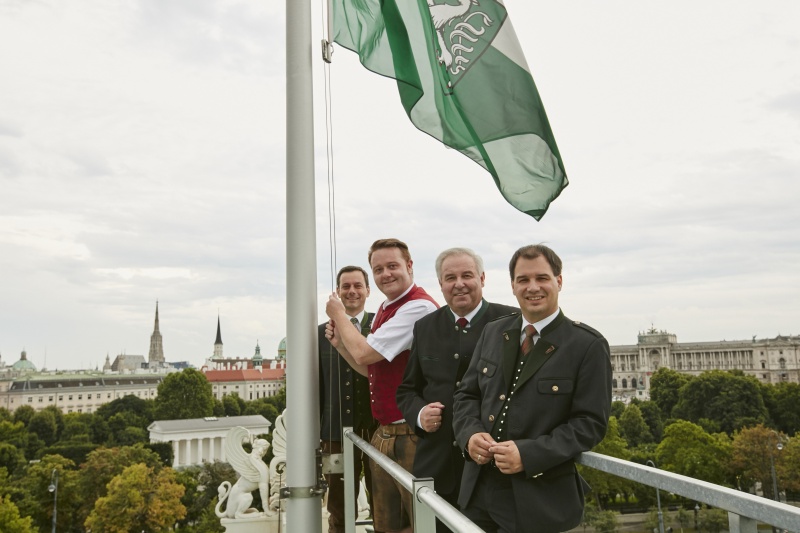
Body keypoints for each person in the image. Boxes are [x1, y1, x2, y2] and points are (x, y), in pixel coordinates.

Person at [452, 244, 612, 533]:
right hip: (478, 494)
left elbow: (590, 424)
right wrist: (469, 434)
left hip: (538, 501)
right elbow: (467, 395)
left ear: (559, 281)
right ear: (513, 286)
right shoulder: (493, 332)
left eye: (542, 278)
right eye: (523, 280)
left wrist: (528, 455)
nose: (533, 287)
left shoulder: (587, 345)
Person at [397, 248, 517, 533]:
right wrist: (419, 413)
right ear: (441, 284)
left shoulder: (512, 322)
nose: (459, 283)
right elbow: (407, 390)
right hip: (437, 470)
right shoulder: (425, 327)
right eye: (450, 277)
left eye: (467, 275)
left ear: (482, 278)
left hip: (491, 474)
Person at [326, 238, 438, 533]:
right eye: (378, 269)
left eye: (392, 266)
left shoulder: (418, 307)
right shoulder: (389, 307)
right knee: (387, 523)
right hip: (388, 430)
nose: (385, 274)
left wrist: (338, 313)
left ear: (409, 266)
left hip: (411, 432)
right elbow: (370, 369)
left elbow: (364, 352)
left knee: (417, 522)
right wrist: (340, 346)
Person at [319, 266, 378, 533]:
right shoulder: (320, 334)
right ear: (338, 292)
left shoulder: (382, 325)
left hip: (379, 430)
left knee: (384, 501)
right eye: (346, 286)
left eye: (357, 285)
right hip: (334, 432)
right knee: (339, 509)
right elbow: (317, 386)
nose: (352, 291)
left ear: (368, 290)